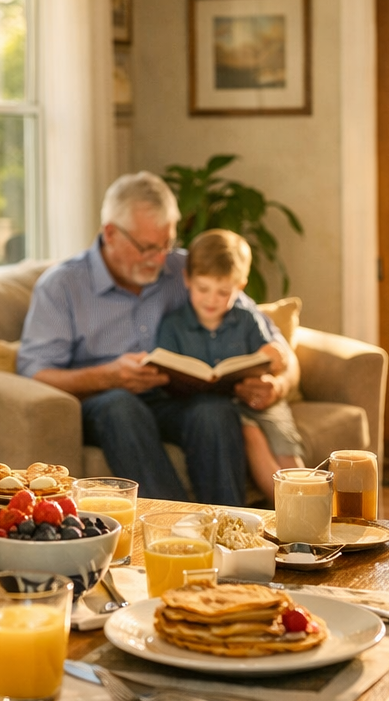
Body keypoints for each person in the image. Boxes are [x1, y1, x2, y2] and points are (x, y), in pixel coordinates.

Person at [16, 172, 297, 506]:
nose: (160, 258)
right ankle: (172, 528)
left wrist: (277, 383)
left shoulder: (185, 270)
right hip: (104, 401)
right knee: (122, 407)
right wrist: (108, 375)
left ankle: (226, 530)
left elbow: (278, 346)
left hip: (172, 399)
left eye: (166, 244)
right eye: (148, 247)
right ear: (110, 234)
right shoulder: (62, 286)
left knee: (216, 411)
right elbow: (34, 374)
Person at [155, 229, 303, 502]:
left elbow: (273, 354)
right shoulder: (173, 325)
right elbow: (165, 375)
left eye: (224, 292)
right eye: (203, 289)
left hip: (255, 398)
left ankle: (314, 512)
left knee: (285, 448)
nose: (212, 299)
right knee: (252, 435)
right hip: (216, 408)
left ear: (241, 287)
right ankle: (292, 511)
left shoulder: (247, 318)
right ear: (187, 279)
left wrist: (274, 357)